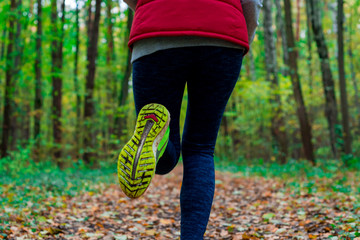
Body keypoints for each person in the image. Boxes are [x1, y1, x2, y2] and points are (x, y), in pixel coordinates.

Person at [117, 0, 262, 238]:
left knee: (163, 160)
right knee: (200, 148)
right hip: (223, 36)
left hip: (155, 30)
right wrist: (244, 35)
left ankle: (153, 138)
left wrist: (149, 8)